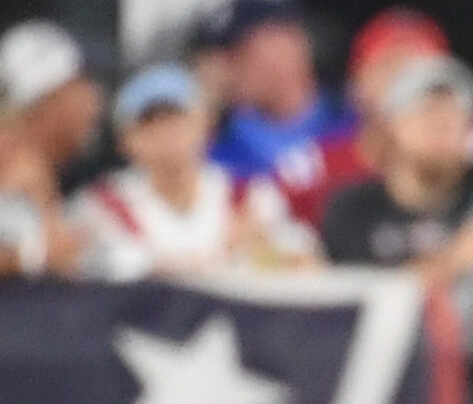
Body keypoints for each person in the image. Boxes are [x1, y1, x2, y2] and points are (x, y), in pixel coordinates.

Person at [321, 56, 473, 368]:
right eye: (427, 113)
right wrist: (461, 255)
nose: (442, 127)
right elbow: (364, 309)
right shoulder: (354, 209)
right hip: (390, 380)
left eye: (455, 117)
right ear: (392, 125)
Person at [73, 65, 318, 280]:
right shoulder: (101, 206)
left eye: (177, 121)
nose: (167, 137)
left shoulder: (248, 195)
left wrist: (267, 250)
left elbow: (303, 257)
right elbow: (108, 269)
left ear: (206, 126)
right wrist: (224, 254)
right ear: (124, 141)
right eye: (149, 124)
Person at [279, 6, 456, 226]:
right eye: (390, 67)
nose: (404, 83)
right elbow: (248, 215)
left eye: (421, 72)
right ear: (357, 83)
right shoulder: (313, 167)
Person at [200, 0, 361, 188]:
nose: (230, 70)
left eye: (241, 53)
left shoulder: (354, 123)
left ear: (289, 43)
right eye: (224, 59)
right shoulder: (216, 150)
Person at [0, 19, 103, 279]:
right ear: (49, 99)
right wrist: (33, 256)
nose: (95, 100)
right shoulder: (11, 162)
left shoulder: (48, 166)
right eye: (82, 86)